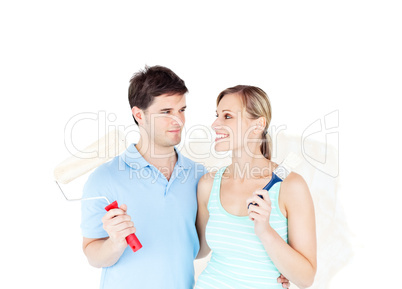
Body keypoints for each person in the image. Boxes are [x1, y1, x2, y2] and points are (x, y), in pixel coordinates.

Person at [80, 66, 291, 289]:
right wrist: (115, 243)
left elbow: (206, 246)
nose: (178, 120)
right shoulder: (105, 179)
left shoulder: (200, 177)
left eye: (181, 110)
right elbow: (92, 255)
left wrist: (271, 268)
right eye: (166, 112)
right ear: (139, 115)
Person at [196, 85, 317, 288]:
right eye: (217, 115)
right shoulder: (208, 184)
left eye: (227, 116)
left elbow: (306, 279)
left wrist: (265, 231)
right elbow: (200, 250)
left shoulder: (290, 187)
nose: (214, 124)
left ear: (258, 124)